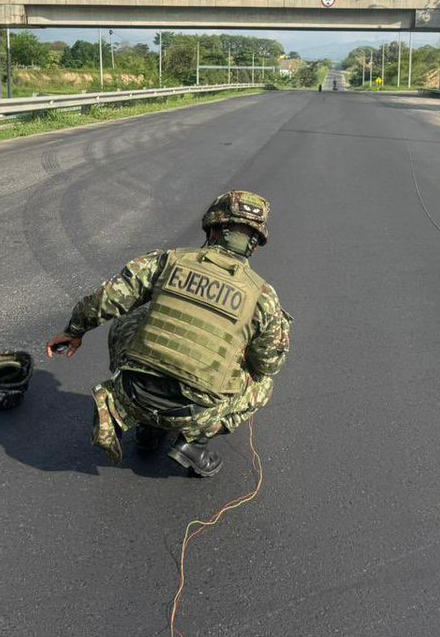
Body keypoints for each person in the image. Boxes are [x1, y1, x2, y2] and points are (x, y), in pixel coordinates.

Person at [47, 191, 292, 477]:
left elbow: (108, 298)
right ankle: (195, 444)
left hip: (133, 392)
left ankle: (145, 424)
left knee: (132, 317)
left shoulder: (168, 261)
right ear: (255, 244)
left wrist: (74, 330)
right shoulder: (263, 297)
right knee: (263, 384)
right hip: (194, 413)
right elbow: (268, 364)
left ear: (212, 228)